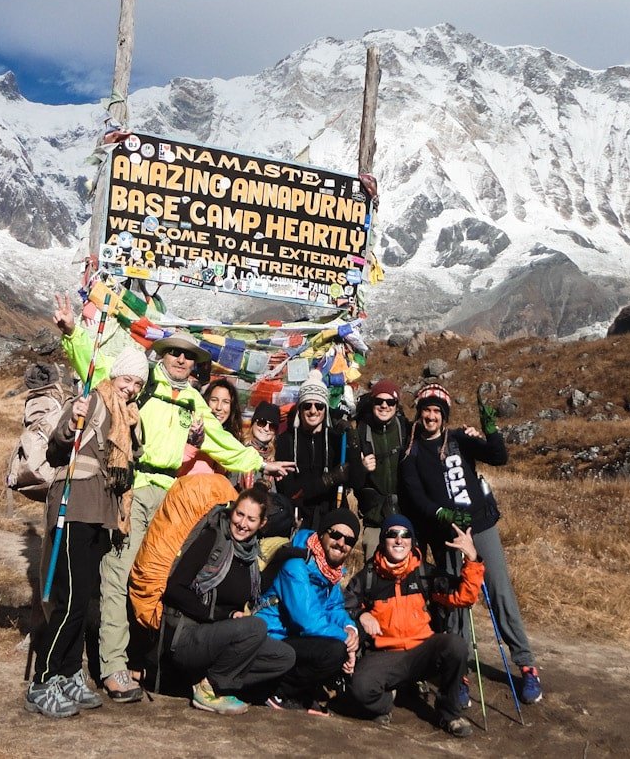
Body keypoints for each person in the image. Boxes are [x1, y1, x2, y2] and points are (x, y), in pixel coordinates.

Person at [54, 294, 293, 703]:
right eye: (175, 353)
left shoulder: (194, 400)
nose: (181, 360)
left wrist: (260, 462)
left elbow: (221, 443)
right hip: (135, 489)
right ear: (162, 355)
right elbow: (98, 376)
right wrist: (73, 334)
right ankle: (112, 665)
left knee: (161, 578)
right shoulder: (142, 386)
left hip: (175, 497)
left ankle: (143, 659)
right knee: (119, 571)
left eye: (188, 356)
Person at [399, 382, 543, 705]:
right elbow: (417, 498)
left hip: (480, 526)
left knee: (500, 591)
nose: (431, 416)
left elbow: (499, 456)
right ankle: (458, 673)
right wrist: (441, 513)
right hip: (446, 534)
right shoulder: (412, 454)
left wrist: (490, 429)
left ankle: (527, 665)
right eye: (426, 410)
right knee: (456, 602)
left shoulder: (461, 439)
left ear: (444, 415)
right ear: (419, 414)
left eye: (437, 411)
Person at [25, 345, 143, 719]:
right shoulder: (90, 400)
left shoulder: (129, 417)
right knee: (71, 598)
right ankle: (43, 680)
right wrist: (69, 420)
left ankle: (69, 672)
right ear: (115, 376)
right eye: (127, 378)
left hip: (100, 514)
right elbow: (60, 445)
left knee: (84, 596)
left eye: (139, 382)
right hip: (74, 506)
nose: (132, 387)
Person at [345, 514, 484, 737]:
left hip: (423, 650)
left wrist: (472, 559)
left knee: (455, 646)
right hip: (385, 654)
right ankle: (386, 700)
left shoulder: (424, 574)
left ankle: (449, 714)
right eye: (392, 534)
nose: (399, 540)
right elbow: (344, 605)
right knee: (360, 689)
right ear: (383, 540)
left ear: (412, 541)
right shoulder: (368, 578)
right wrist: (361, 614)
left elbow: (464, 596)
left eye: (405, 535)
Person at [161, 486, 296, 714]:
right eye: (239, 514)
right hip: (188, 635)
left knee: (284, 656)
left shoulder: (251, 556)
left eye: (251, 519)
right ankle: (210, 689)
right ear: (231, 511)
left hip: (217, 638)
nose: (243, 524)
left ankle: (212, 680)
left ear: (262, 524)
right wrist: (218, 615)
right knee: (256, 627)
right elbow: (174, 589)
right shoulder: (212, 538)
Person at [255, 507, 362, 714]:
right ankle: (279, 692)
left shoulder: (329, 572)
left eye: (349, 541)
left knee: (349, 638)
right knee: (334, 650)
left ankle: (302, 694)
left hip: (292, 637)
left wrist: (351, 629)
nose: (341, 543)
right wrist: (345, 640)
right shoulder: (295, 565)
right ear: (322, 533)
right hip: (271, 637)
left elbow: (334, 607)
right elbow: (307, 620)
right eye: (336, 535)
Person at [274, 375, 353, 531]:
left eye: (319, 406)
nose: (313, 411)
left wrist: (353, 438)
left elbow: (354, 479)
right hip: (298, 520)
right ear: (300, 409)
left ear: (325, 408)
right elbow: (290, 491)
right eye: (307, 405)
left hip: (332, 518)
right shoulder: (286, 441)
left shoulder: (335, 439)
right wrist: (328, 479)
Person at [351, 377, 411, 559]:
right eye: (379, 401)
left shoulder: (406, 429)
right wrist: (361, 468)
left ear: (396, 404)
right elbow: (353, 481)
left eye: (390, 402)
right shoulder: (360, 432)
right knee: (373, 569)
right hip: (374, 518)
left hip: (404, 514)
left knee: (405, 574)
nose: (384, 406)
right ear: (372, 403)